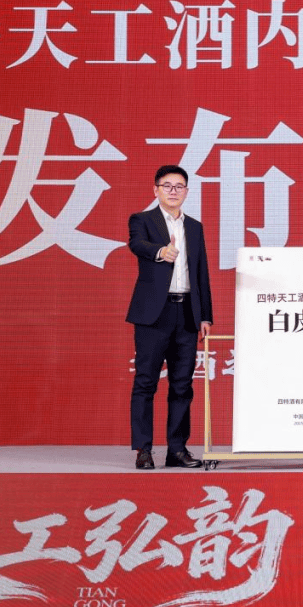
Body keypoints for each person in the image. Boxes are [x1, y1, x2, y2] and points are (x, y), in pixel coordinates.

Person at [126, 165, 213, 469]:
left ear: (186, 192)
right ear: (156, 190)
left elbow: (201, 272)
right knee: (146, 382)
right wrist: (161, 252)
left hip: (187, 312)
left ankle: (177, 450)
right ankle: (143, 449)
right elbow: (136, 244)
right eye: (167, 186)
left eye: (179, 186)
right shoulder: (142, 220)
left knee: (182, 385)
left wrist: (205, 316)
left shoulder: (195, 227)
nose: (173, 191)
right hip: (154, 313)